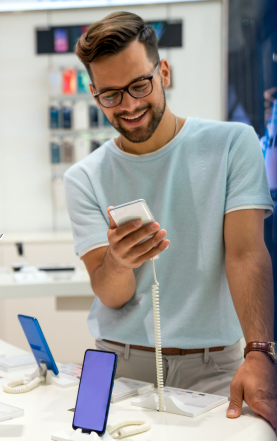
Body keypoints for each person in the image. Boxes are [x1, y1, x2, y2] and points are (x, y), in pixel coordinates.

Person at [64, 12, 277, 433]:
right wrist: (119, 262)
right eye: (110, 95)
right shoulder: (83, 177)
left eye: (139, 85)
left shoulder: (233, 143)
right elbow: (110, 294)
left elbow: (246, 253)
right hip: (115, 361)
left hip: (215, 365)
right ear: (93, 95)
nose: (128, 105)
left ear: (163, 71)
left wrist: (259, 353)